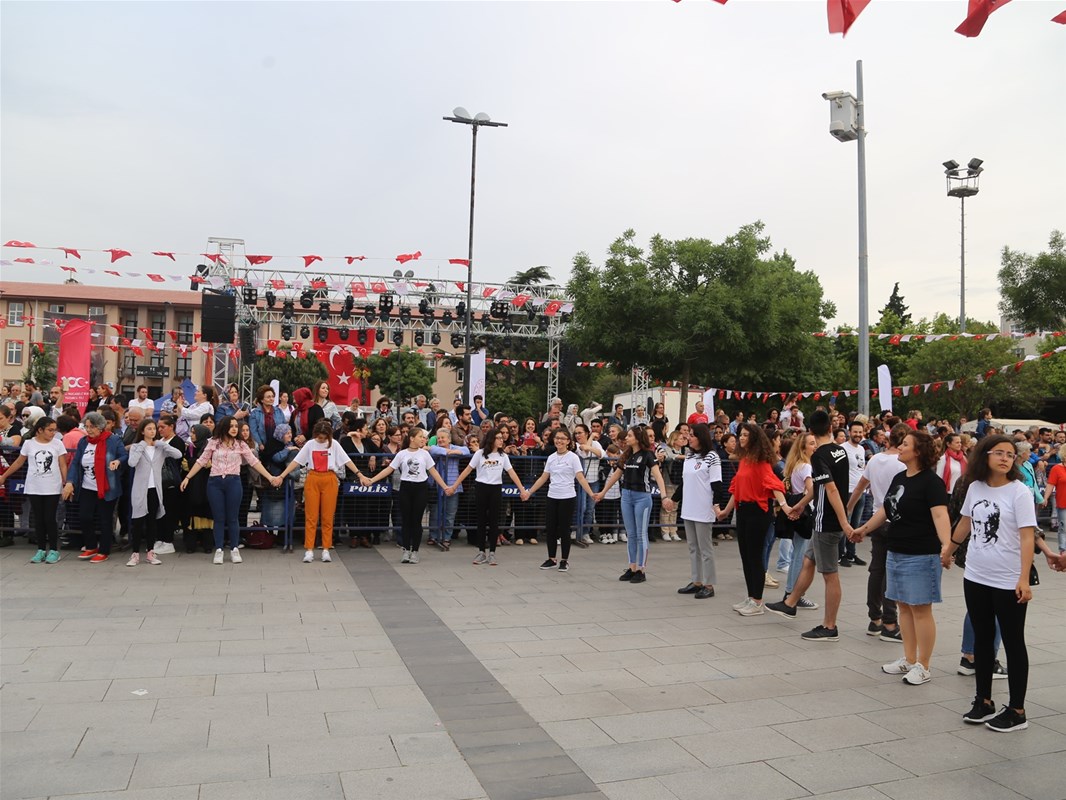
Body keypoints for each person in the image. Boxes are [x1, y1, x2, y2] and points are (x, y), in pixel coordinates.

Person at [945, 435, 1037, 731]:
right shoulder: (975, 487)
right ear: (985, 456)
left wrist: (1023, 578)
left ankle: (1017, 711)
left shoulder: (1019, 491)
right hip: (976, 575)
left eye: (1010, 454)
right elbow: (965, 522)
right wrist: (948, 549)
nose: (1005, 458)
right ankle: (983, 700)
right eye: (999, 452)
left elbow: (1027, 537)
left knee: (1013, 641)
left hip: (1008, 579)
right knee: (982, 639)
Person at [852, 430, 951, 685]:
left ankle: (923, 665)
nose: (900, 447)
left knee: (920, 609)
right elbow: (886, 509)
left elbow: (940, 515)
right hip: (896, 550)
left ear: (918, 452)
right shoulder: (900, 477)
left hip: (922, 554)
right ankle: (908, 658)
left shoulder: (931, 482)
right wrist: (864, 529)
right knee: (904, 607)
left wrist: (946, 545)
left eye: (905, 444)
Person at [765, 410, 853, 639]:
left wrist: (844, 523)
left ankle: (830, 626)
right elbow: (820, 487)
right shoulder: (840, 451)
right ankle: (790, 603)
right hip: (825, 519)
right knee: (808, 561)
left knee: (830, 574)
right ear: (831, 428)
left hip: (828, 522)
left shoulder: (819, 455)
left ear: (811, 431)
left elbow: (831, 489)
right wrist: (801, 504)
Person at [180, 416, 279, 565]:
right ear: (224, 427)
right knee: (219, 518)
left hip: (233, 481)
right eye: (231, 426)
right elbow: (201, 461)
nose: (234, 429)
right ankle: (219, 549)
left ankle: (234, 548)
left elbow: (254, 462)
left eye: (235, 426)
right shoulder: (213, 442)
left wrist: (270, 477)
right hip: (215, 482)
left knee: (233, 518)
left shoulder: (241, 444)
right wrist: (188, 477)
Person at [716, 424, 792, 615]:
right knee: (746, 556)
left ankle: (757, 601)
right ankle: (751, 597)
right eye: (740, 435)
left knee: (755, 557)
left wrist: (785, 507)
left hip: (758, 512)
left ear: (754, 439)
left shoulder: (761, 463)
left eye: (745, 435)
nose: (741, 438)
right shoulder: (745, 460)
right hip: (743, 511)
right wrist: (725, 511)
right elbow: (736, 488)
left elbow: (775, 485)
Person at [847, 423, 908, 641]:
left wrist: (848, 509)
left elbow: (859, 487)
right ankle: (890, 622)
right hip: (896, 521)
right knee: (891, 572)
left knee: (876, 570)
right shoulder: (902, 464)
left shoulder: (875, 460)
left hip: (876, 519)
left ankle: (875, 618)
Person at [277, 419, 368, 563]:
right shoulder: (310, 444)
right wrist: (282, 476)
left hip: (329, 478)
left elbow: (347, 461)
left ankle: (326, 548)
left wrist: (359, 474)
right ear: (315, 434)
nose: (322, 440)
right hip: (313, 477)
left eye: (324, 437)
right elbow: (297, 461)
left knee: (328, 516)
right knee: (311, 516)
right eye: (319, 437)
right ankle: (309, 549)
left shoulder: (334, 444)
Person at [596, 426, 674, 584]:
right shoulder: (627, 455)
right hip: (626, 496)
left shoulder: (648, 455)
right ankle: (632, 567)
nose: (626, 438)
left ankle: (641, 569)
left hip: (642, 497)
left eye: (630, 435)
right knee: (631, 534)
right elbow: (616, 475)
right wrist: (603, 492)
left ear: (638, 438)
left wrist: (664, 496)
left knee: (641, 534)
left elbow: (658, 476)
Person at [361, 427, 450, 563]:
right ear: (412, 438)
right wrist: (372, 480)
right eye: (420, 436)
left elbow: (433, 471)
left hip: (421, 488)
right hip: (405, 488)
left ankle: (415, 551)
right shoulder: (402, 454)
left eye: (423, 437)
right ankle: (406, 549)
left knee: (416, 521)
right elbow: (389, 469)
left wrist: (445, 487)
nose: (423, 439)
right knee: (406, 520)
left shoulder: (425, 454)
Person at [449, 428, 527, 566]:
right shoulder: (479, 454)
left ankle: (492, 552)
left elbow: (512, 473)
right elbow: (467, 470)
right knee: (481, 521)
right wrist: (454, 486)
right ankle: (481, 551)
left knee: (494, 521)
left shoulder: (503, 456)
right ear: (491, 439)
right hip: (481, 488)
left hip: (496, 489)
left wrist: (522, 490)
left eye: (502, 438)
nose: (501, 440)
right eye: (498, 438)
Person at [524, 428, 597, 572]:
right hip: (552, 496)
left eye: (563, 438)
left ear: (568, 441)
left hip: (567, 497)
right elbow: (543, 477)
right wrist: (529, 492)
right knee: (551, 529)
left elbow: (580, 477)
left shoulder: (573, 457)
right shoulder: (551, 457)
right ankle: (551, 558)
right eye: (557, 438)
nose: (559, 441)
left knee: (564, 529)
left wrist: (591, 494)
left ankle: (564, 560)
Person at [61, 412, 128, 563]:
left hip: (107, 487)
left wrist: (118, 461)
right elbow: (76, 462)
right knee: (84, 516)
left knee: (105, 519)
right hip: (87, 486)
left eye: (92, 427)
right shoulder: (84, 441)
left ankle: (104, 550)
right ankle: (91, 546)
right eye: (87, 426)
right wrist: (70, 481)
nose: (89, 430)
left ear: (100, 427)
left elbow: (124, 456)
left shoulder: (113, 440)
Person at [0, 416, 68, 563]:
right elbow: (19, 462)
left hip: (52, 487)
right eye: (50, 430)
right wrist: (4, 476)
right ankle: (41, 549)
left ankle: (54, 550)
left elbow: (62, 464)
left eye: (54, 430)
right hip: (34, 486)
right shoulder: (29, 444)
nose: (53, 433)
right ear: (40, 430)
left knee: (49, 518)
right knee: (38, 518)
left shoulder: (58, 444)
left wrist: (66, 482)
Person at [673, 424, 721, 599]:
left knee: (705, 549)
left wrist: (716, 505)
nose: (688, 438)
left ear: (701, 437)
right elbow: (684, 482)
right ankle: (697, 581)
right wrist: (673, 500)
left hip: (703, 508)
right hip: (688, 508)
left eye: (692, 435)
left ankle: (709, 584)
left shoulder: (712, 457)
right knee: (693, 548)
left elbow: (717, 484)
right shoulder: (689, 456)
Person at [125, 418, 183, 566]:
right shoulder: (136, 446)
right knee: (138, 521)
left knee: (152, 521)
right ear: (142, 431)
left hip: (155, 490)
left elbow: (178, 454)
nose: (152, 431)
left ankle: (150, 552)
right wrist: (142, 446)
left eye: (154, 429)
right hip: (140, 490)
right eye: (149, 429)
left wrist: (162, 444)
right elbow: (132, 462)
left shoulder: (159, 448)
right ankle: (135, 553)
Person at [839, 421, 868, 567]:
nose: (858, 434)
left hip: (861, 491)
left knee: (856, 524)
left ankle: (851, 553)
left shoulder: (861, 449)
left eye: (860, 432)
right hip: (848, 491)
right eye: (855, 432)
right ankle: (840, 554)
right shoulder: (842, 448)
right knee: (846, 523)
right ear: (849, 432)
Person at [249, 384, 286, 452]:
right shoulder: (255, 413)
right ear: (262, 400)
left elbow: (284, 428)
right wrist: (260, 444)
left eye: (272, 396)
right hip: (262, 446)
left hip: (279, 445)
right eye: (268, 397)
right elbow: (253, 431)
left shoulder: (279, 411)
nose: (271, 399)